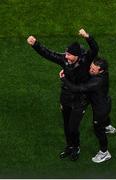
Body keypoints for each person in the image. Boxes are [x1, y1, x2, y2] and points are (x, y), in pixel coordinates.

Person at [27, 29, 99, 161]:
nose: (66, 56)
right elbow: (48, 54)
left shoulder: (85, 60)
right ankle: (69, 146)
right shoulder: (64, 59)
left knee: (73, 127)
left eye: (69, 54)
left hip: (80, 99)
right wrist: (35, 44)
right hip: (66, 97)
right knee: (66, 125)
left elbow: (95, 49)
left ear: (76, 55)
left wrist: (87, 36)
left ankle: (76, 146)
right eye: (66, 53)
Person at [60, 57, 116, 163]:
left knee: (98, 130)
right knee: (104, 119)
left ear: (101, 71)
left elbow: (77, 89)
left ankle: (104, 153)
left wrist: (63, 79)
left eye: (93, 70)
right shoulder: (103, 73)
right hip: (104, 101)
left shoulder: (97, 82)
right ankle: (108, 126)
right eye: (91, 67)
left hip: (100, 107)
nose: (90, 70)